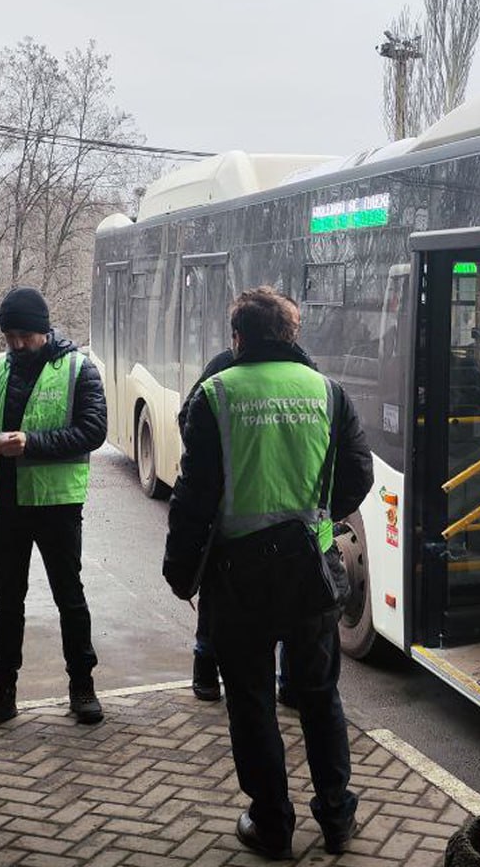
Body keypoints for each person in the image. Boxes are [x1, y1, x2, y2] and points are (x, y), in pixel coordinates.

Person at [164, 286, 373, 859]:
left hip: (239, 578)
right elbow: (357, 476)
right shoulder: (327, 392)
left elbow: (194, 498)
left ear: (237, 339)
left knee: (251, 703)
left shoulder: (216, 394)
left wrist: (181, 572)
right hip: (312, 570)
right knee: (319, 695)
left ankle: (272, 825)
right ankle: (336, 817)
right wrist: (317, 516)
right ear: (292, 335)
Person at [0, 287, 108, 731]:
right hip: (4, 505)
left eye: (24, 335)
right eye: (9, 336)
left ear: (44, 330)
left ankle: (82, 686)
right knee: (6, 602)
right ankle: (2, 691)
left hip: (56, 504)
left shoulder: (77, 369)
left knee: (70, 597)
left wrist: (30, 444)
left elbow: (92, 431)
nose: (16, 344)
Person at [181, 296, 302, 706]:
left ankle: (261, 680)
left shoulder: (295, 371)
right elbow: (190, 421)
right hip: (278, 518)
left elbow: (188, 426)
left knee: (223, 601)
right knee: (276, 607)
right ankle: (209, 671)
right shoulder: (302, 372)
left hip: (245, 516)